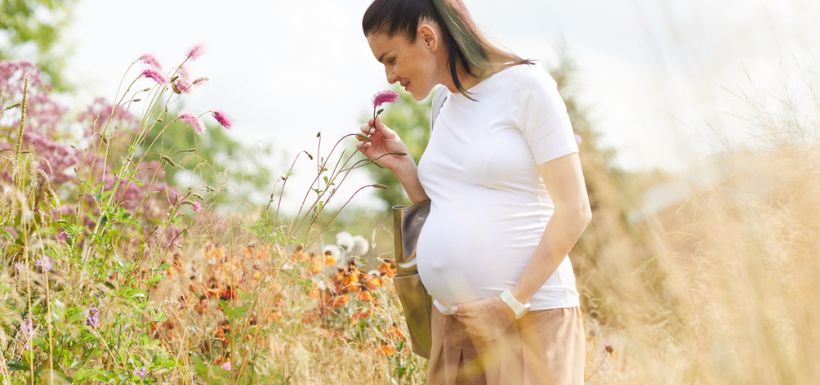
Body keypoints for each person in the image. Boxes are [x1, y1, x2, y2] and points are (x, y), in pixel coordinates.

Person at [356, 1, 591, 384]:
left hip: (527, 320)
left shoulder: (526, 87)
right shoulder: (443, 103)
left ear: (428, 37)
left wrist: (509, 305)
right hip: (454, 328)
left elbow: (575, 211)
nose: (389, 76)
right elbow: (449, 205)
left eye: (392, 59)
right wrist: (404, 168)